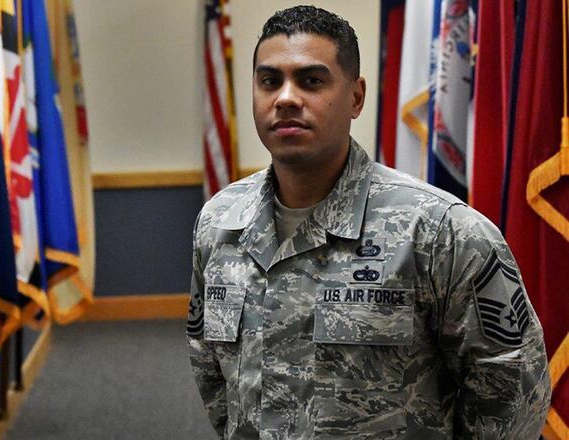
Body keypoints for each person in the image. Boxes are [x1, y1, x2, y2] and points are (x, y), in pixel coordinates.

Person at [186, 5, 551, 439]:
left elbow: (512, 396)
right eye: (270, 81)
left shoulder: (440, 232)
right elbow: (212, 372)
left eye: (311, 80)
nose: (285, 98)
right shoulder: (220, 223)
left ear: (356, 97)